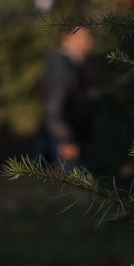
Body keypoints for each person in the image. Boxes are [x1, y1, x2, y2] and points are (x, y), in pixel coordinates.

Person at [37, 25, 97, 165]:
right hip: (67, 142)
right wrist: (65, 139)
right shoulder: (61, 66)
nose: (88, 40)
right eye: (83, 35)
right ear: (67, 37)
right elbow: (54, 107)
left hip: (77, 138)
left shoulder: (78, 64)